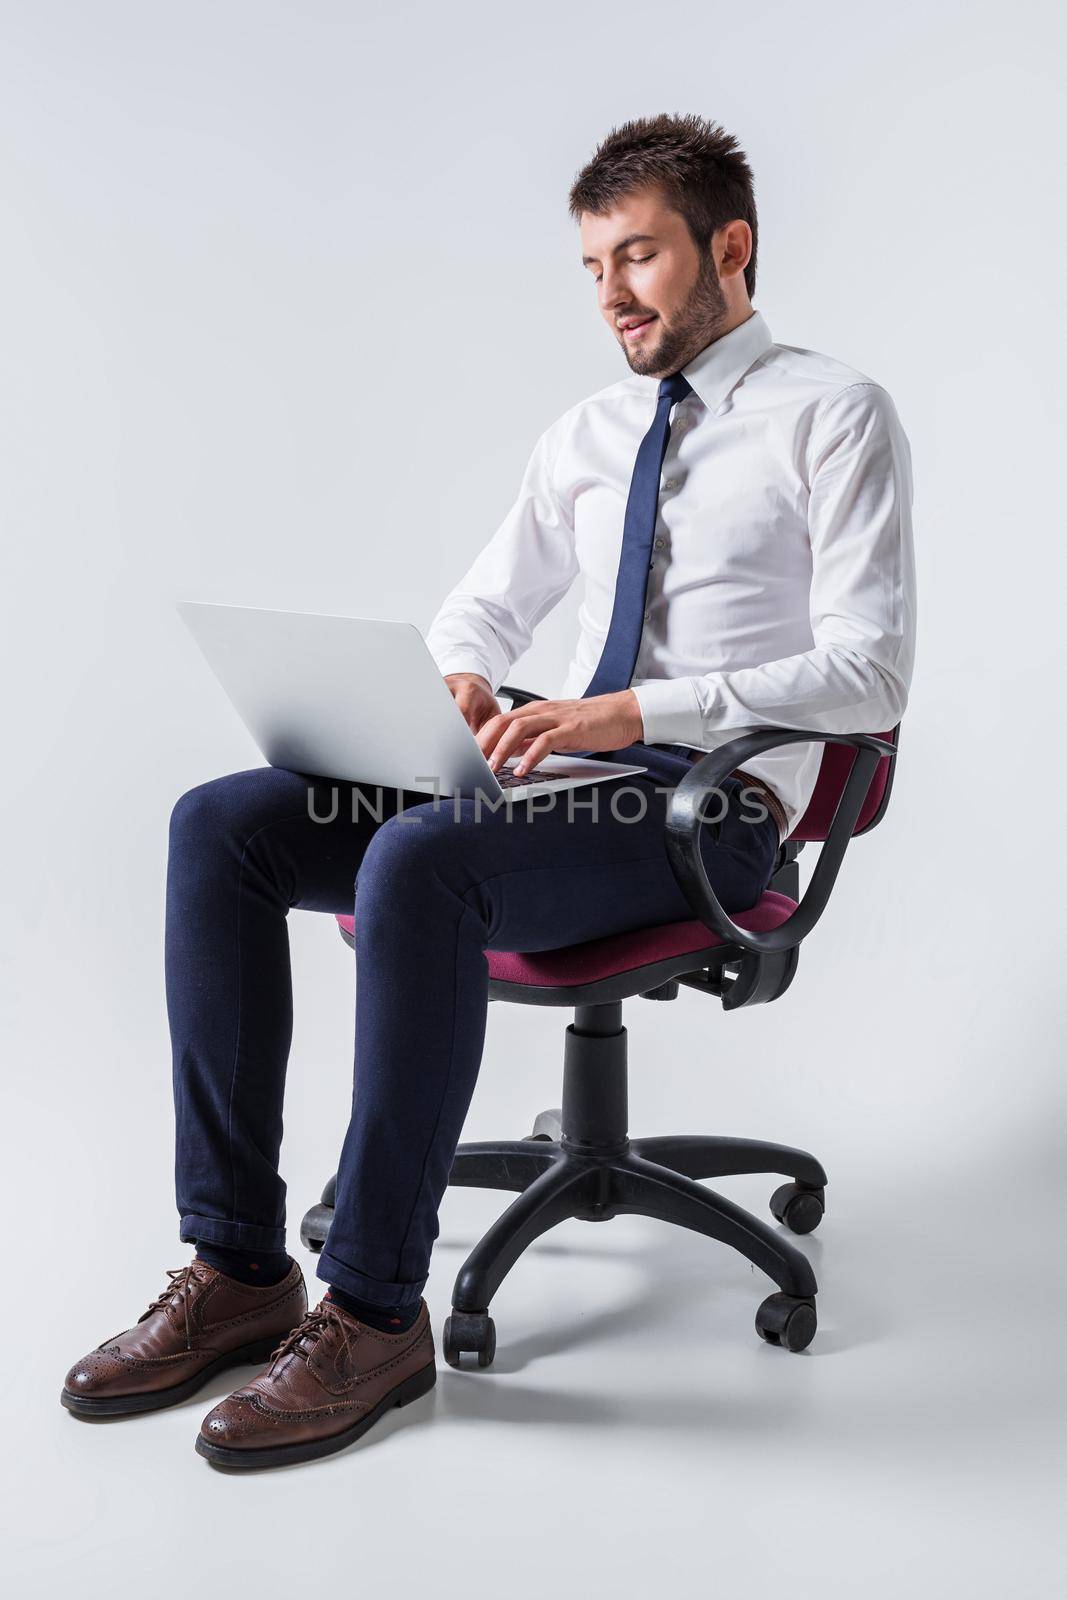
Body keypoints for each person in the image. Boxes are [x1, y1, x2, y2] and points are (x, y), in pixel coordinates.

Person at [60, 112, 915, 1470]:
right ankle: (236, 1268)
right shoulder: (586, 432)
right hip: (555, 784)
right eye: (592, 267)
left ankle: (376, 1314)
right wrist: (460, 680)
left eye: (638, 258)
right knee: (222, 827)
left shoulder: (835, 415)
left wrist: (638, 710)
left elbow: (868, 675)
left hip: (709, 817)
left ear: (730, 247)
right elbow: (483, 610)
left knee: (420, 866)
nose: (613, 296)